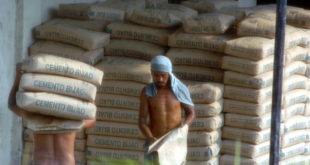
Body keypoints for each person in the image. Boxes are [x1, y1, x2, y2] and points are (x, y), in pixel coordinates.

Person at [8, 63, 96, 165]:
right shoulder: (72, 117)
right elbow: (92, 119)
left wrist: (18, 78)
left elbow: (12, 104)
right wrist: (89, 93)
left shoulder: (35, 114)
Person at [139, 56, 196, 164]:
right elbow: (142, 122)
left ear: (169, 73)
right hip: (155, 143)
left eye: (163, 75)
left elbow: (191, 113)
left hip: (174, 143)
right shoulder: (147, 92)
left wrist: (183, 128)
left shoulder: (179, 90)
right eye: (156, 75)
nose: (160, 79)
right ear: (151, 73)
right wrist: (150, 138)